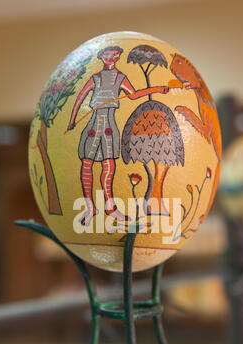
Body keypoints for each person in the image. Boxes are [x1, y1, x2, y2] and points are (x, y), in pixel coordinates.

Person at [68, 46, 168, 226]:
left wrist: (157, 89)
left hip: (109, 124)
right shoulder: (96, 78)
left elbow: (134, 95)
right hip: (92, 123)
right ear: (101, 57)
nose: (110, 57)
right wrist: (72, 120)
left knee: (109, 164)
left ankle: (110, 207)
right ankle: (90, 207)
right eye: (107, 54)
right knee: (86, 162)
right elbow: (80, 97)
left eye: (114, 55)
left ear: (117, 57)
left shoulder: (119, 77)